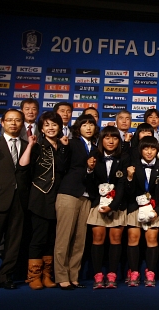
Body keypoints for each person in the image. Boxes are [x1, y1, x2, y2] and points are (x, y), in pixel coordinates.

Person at [0, 109, 32, 291]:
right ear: (2, 122)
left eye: (17, 120)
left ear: (22, 124)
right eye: (9, 120)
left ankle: (6, 277)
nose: (13, 123)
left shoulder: (28, 145)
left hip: (20, 199)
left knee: (14, 242)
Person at [54, 113, 98, 290]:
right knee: (64, 237)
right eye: (84, 124)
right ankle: (61, 276)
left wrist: (90, 169)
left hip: (86, 196)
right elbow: (62, 166)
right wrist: (63, 148)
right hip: (69, 194)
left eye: (91, 124)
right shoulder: (70, 143)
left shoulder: (95, 148)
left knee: (80, 239)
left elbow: (93, 173)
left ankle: (73, 275)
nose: (88, 127)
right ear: (78, 127)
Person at [26, 111, 69, 290]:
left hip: (58, 197)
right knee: (39, 237)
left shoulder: (63, 145)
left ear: (60, 127)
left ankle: (46, 274)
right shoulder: (37, 145)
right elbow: (26, 169)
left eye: (54, 124)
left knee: (52, 238)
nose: (51, 128)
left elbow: (64, 167)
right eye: (47, 125)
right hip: (40, 196)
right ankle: (33, 276)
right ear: (42, 129)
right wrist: (30, 146)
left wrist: (64, 147)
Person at [86, 126, 131, 289]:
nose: (111, 141)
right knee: (98, 237)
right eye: (107, 137)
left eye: (115, 138)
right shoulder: (94, 155)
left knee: (116, 238)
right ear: (101, 139)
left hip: (117, 204)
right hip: (98, 203)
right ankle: (98, 274)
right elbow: (89, 184)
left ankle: (112, 274)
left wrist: (112, 206)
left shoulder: (125, 157)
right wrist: (90, 170)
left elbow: (122, 184)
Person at [125, 136, 159, 287]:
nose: (149, 152)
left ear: (157, 150)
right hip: (136, 207)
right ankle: (134, 271)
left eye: (152, 148)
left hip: (154, 208)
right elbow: (128, 193)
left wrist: (158, 210)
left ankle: (150, 272)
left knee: (152, 239)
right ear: (140, 150)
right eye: (146, 148)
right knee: (133, 237)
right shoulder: (132, 166)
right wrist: (129, 178)